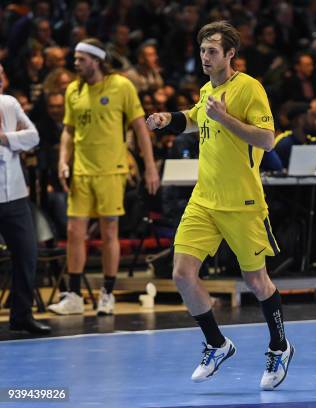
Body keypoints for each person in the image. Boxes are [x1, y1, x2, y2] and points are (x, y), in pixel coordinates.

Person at [146, 21, 294, 391]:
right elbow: (196, 117)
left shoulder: (249, 88)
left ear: (231, 54)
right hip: (204, 200)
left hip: (242, 203)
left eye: (212, 51)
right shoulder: (207, 89)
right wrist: (168, 120)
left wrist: (224, 118)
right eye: (202, 51)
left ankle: (280, 347)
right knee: (181, 274)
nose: (205, 57)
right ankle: (217, 343)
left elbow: (268, 140)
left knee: (256, 281)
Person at [48, 38, 160, 316]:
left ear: (97, 60)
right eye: (75, 58)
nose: (76, 64)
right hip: (81, 172)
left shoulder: (121, 86)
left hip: (112, 171)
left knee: (110, 231)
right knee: (75, 232)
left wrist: (149, 167)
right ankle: (74, 295)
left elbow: (139, 127)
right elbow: (68, 131)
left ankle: (107, 294)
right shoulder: (73, 89)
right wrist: (63, 161)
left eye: (81, 59)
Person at [0, 63, 51, 335]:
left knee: (27, 255)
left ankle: (21, 315)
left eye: (0, 76)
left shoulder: (8, 104)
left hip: (16, 195)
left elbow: (33, 136)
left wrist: (7, 138)